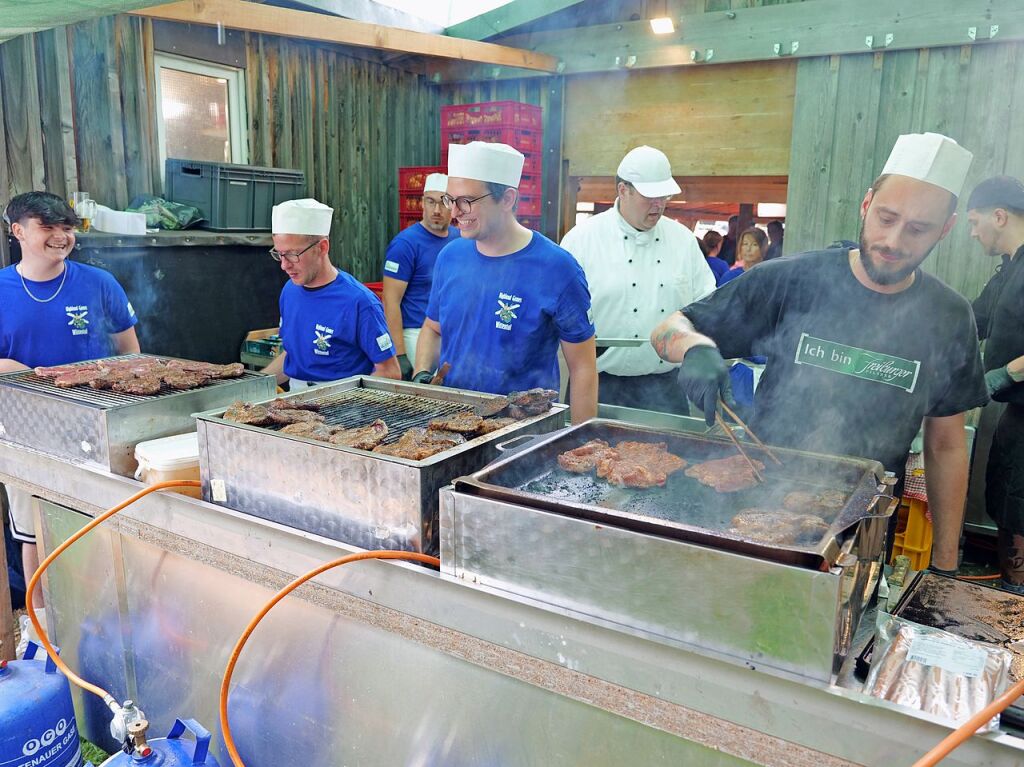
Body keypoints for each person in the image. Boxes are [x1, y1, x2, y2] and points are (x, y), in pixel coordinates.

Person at [650, 132, 987, 573]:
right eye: (887, 217)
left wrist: (945, 566)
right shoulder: (791, 280)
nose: (894, 240)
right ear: (866, 205)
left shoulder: (949, 317)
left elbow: (945, 445)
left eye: (918, 229)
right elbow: (667, 329)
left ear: (946, 229)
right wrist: (693, 347)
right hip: (754, 510)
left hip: (862, 533)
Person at [0, 191, 140, 615]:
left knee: (101, 522)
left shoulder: (99, 283)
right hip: (24, 425)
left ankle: (105, 614)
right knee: (33, 529)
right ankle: (43, 622)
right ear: (18, 231)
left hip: (97, 423)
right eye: (48, 227)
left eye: (67, 228)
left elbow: (132, 355)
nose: (61, 237)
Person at [413, 141, 598, 424]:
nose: (454, 213)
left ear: (508, 199)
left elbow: (583, 367)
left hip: (522, 429)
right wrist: (422, 374)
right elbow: (433, 328)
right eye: (451, 200)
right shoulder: (450, 257)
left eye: (467, 201)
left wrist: (581, 438)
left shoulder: (558, 269)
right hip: (451, 422)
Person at [560, 145, 715, 414]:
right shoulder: (581, 240)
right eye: (650, 196)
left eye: (664, 196)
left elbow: (707, 305)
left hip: (666, 388)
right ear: (623, 190)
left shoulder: (683, 241)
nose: (659, 205)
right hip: (598, 384)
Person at [263, 198, 400, 388]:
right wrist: (253, 385)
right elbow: (293, 356)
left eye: (293, 254)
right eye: (279, 254)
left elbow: (390, 372)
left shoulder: (359, 302)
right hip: (294, 400)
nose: (284, 265)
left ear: (322, 247)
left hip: (345, 406)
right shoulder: (289, 291)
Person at [965, 175, 1024, 593]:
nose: (972, 232)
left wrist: (1002, 375)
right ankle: (1009, 593)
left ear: (999, 216)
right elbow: (970, 320)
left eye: (974, 221)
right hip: (1015, 410)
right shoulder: (1009, 271)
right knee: (1005, 496)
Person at [381, 173, 459, 379]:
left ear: (454, 205)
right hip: (416, 335)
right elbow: (390, 300)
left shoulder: (460, 239)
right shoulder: (405, 244)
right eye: (430, 202)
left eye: (443, 203)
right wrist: (399, 354)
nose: (436, 210)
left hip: (452, 333)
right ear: (422, 203)